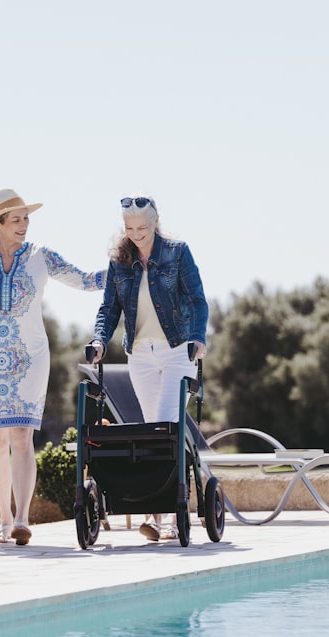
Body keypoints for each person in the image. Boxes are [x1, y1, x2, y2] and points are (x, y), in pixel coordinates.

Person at [0, 188, 105, 546]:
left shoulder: (43, 257)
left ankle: (23, 520)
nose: (24, 225)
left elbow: (86, 280)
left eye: (26, 218)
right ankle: (3, 520)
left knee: (22, 436)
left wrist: (124, 269)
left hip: (31, 357)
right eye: (16, 219)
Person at [91, 195, 208, 541]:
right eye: (130, 228)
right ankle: (155, 517)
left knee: (164, 427)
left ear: (156, 221)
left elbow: (197, 299)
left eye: (142, 227)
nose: (137, 234)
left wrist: (198, 338)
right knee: (148, 430)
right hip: (140, 354)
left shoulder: (177, 252)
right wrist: (99, 340)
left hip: (177, 351)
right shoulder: (120, 261)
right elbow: (109, 309)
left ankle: (172, 516)